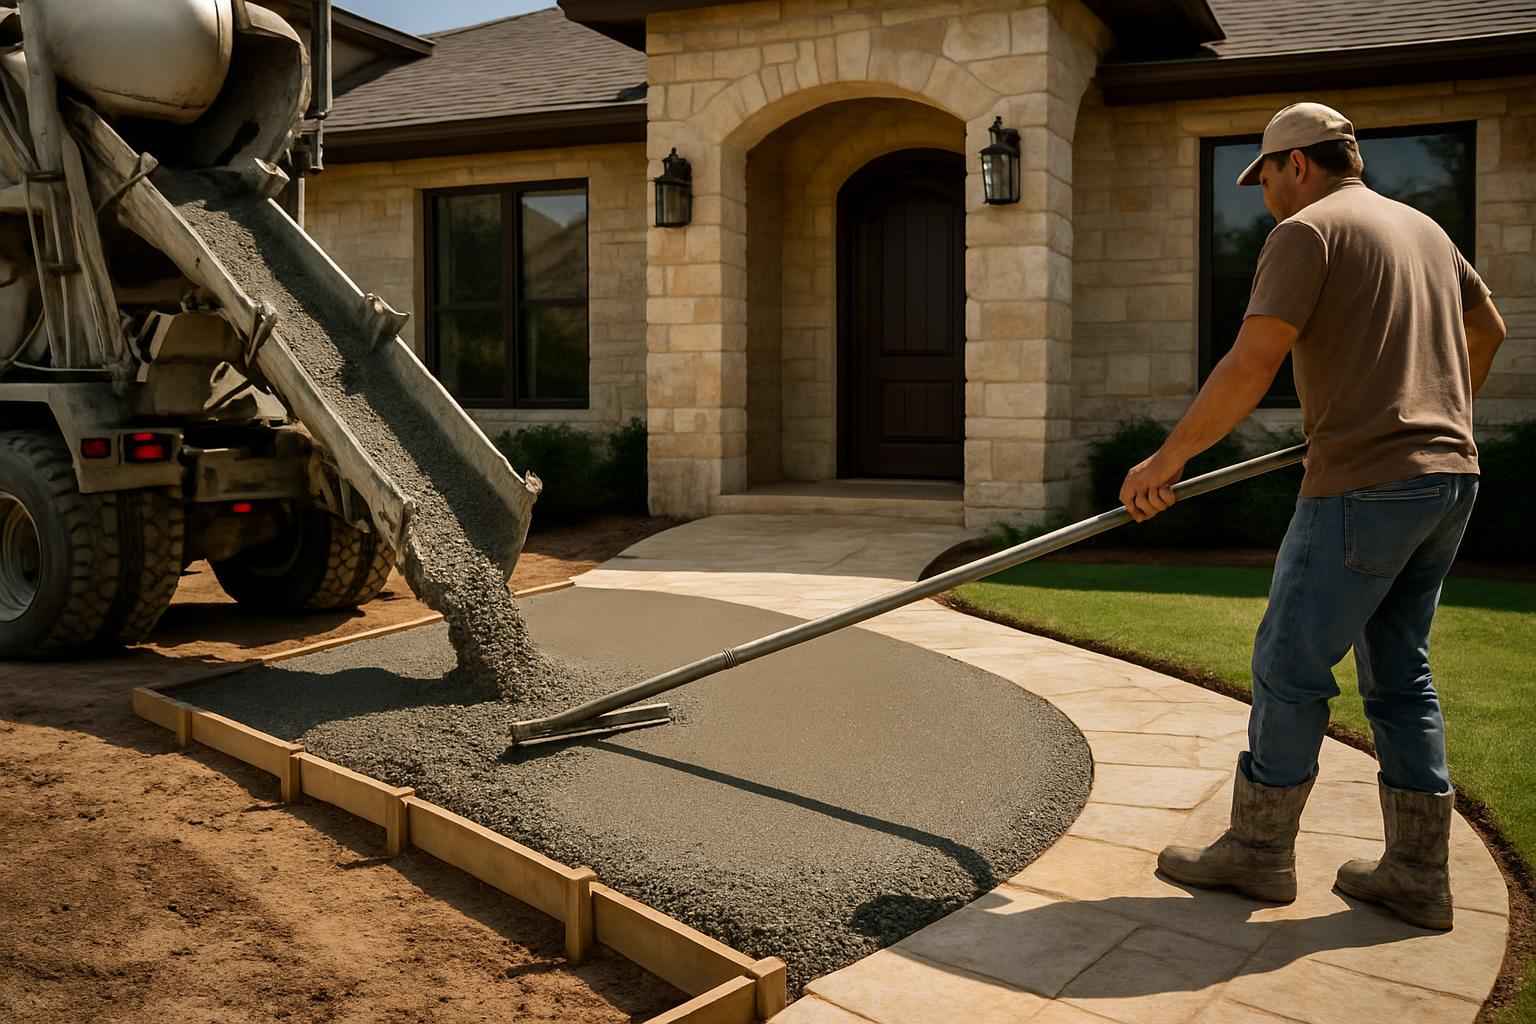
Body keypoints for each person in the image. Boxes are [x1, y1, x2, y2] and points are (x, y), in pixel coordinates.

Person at [1118, 102, 1508, 931]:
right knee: (1401, 675)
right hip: (1449, 479)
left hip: (1365, 485)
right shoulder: (1423, 230)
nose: (1265, 198)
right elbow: (1490, 327)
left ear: (1298, 163)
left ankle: (1257, 855)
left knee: (1289, 665)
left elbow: (1252, 360)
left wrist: (1167, 460)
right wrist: (1433, 410)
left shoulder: (1309, 232)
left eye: (1265, 178)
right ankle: (1416, 873)